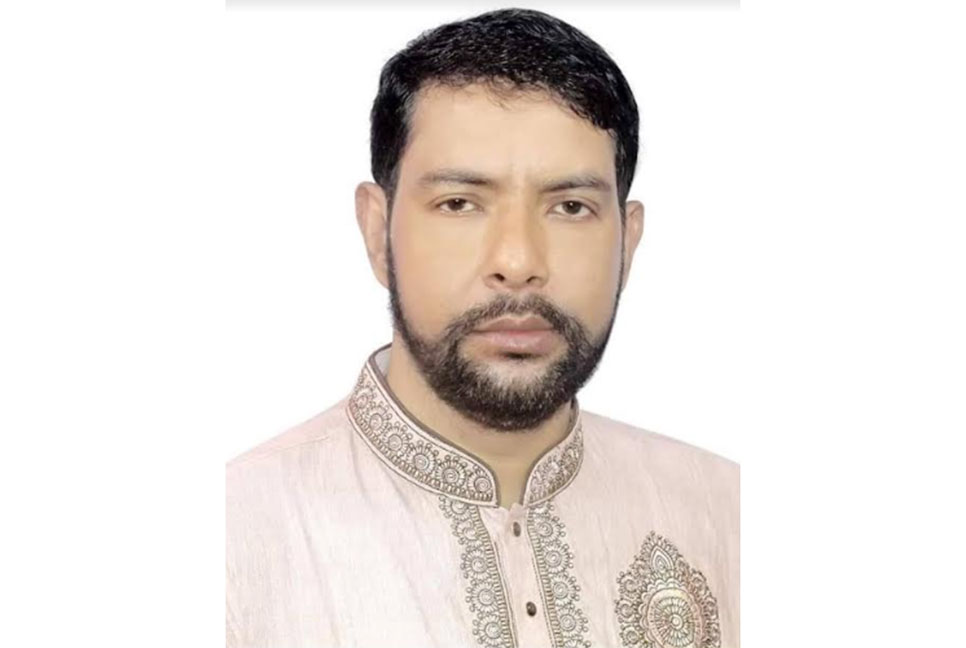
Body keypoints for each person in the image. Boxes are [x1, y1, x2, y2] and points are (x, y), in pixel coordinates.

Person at [226, 7, 738, 648]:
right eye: (460, 203)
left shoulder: (726, 513)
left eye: (570, 206)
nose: (518, 262)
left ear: (627, 243)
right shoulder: (236, 538)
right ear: (377, 232)